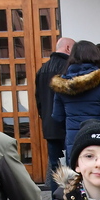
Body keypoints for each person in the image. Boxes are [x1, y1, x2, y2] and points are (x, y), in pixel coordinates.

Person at [35, 37, 75, 191]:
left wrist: (44, 118)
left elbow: (38, 99)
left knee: (55, 167)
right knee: (71, 164)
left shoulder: (42, 69)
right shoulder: (68, 68)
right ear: (68, 49)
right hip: (68, 124)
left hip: (50, 126)